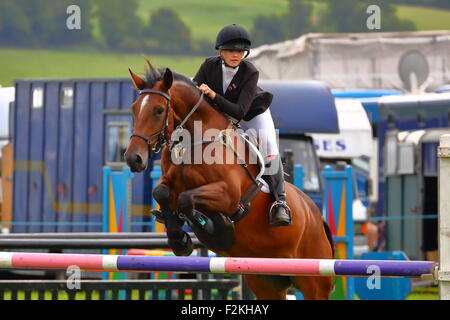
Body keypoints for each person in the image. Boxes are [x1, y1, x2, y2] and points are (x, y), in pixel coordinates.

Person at [193, 24, 292, 227]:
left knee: (269, 147)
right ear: (221, 51)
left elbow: (239, 112)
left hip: (253, 113)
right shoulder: (208, 66)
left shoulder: (250, 71)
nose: (236, 55)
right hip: (222, 113)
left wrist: (213, 95)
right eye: (231, 50)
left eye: (240, 51)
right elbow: (195, 93)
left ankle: (280, 202)